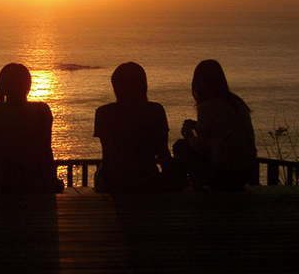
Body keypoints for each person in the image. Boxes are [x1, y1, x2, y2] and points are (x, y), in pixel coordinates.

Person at [174, 59, 257, 191]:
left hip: (224, 173)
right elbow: (221, 131)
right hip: (247, 171)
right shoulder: (236, 103)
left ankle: (194, 189)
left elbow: (201, 148)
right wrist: (197, 126)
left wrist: (187, 133)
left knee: (180, 146)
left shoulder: (207, 106)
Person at [0, 63, 63, 194]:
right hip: (38, 184)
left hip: (4, 183)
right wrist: (51, 181)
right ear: (28, 86)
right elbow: (45, 150)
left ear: (1, 85)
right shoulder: (41, 110)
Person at [93, 62, 172, 193]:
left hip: (115, 182)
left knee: (99, 174)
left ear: (116, 87)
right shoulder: (156, 111)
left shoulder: (104, 113)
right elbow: (163, 152)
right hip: (148, 179)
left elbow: (109, 156)